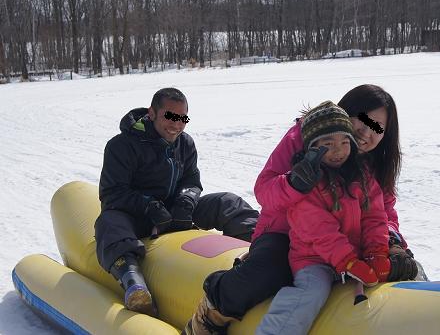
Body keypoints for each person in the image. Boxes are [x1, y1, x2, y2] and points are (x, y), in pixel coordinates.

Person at [183, 84, 420, 335]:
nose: (366, 132)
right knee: (270, 273)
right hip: (288, 233)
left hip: (349, 239)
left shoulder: (375, 162)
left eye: (377, 128)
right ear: (346, 112)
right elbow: (264, 190)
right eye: (362, 120)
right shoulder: (308, 136)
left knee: (406, 266)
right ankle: (214, 307)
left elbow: (383, 212)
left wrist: (391, 243)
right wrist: (294, 183)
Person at [95, 87, 259, 316]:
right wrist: (149, 206)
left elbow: (192, 180)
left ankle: (260, 250)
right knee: (108, 221)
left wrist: (186, 201)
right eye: (170, 116)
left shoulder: (185, 143)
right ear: (152, 113)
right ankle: (132, 281)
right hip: (138, 217)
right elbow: (113, 193)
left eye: (183, 118)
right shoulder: (121, 146)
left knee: (227, 202)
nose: (177, 124)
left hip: (175, 212)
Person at [256, 100, 390, 334]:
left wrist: (377, 251)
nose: (338, 150)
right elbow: (317, 228)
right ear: (312, 148)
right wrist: (346, 261)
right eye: (328, 144)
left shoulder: (362, 175)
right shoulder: (306, 180)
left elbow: (375, 216)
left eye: (345, 142)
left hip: (355, 258)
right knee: (310, 294)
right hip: (314, 259)